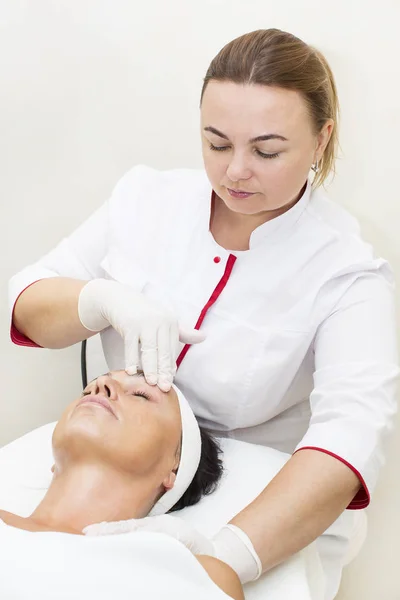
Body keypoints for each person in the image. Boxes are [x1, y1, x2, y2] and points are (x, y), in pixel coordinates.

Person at [8, 27, 398, 599]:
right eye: (216, 143)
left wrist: (225, 560)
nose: (235, 170)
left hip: (253, 494)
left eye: (266, 151)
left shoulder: (346, 273)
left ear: (321, 140)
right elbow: (29, 298)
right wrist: (100, 301)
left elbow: (352, 435)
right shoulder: (146, 199)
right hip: (116, 466)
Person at [0, 371, 244, 600]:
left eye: (140, 395)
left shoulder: (199, 574)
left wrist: (193, 569)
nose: (99, 386)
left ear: (176, 466)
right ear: (53, 463)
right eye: (87, 391)